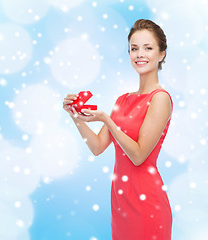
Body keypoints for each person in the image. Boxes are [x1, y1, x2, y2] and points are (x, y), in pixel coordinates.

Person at [63, 19, 173, 240]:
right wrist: (75, 116)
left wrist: (107, 119)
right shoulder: (122, 100)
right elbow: (97, 147)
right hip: (121, 202)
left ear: (161, 54)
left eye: (148, 48)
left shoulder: (160, 99)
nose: (139, 54)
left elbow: (139, 155)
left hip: (147, 202)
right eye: (134, 48)